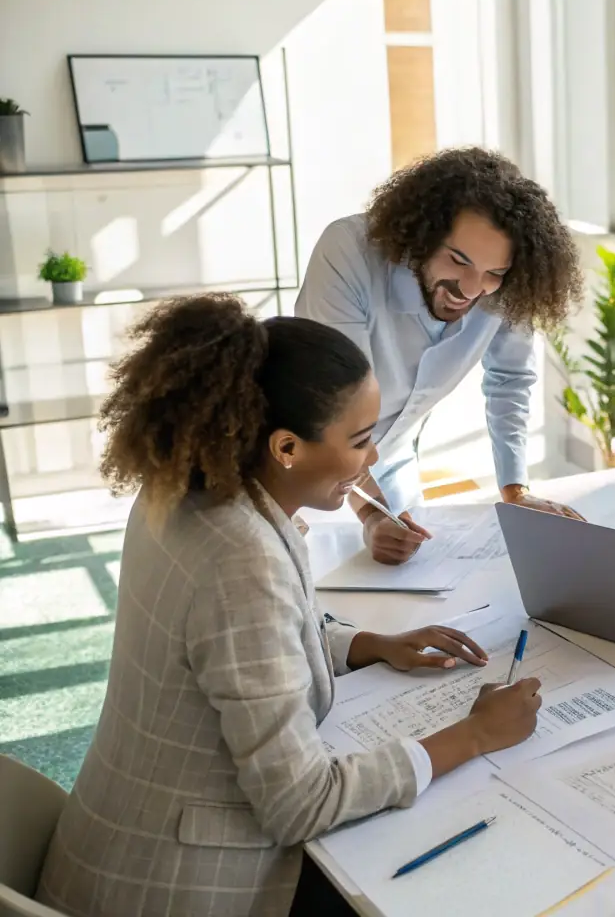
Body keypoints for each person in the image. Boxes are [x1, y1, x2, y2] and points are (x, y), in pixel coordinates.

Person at [37, 295, 543, 917]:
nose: (373, 460)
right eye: (360, 440)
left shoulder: (187, 488)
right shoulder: (241, 558)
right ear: (286, 448)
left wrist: (365, 644)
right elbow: (299, 802)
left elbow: (226, 641)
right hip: (173, 886)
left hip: (115, 839)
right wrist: (472, 736)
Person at [296, 147, 585, 566]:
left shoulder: (506, 287)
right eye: (457, 260)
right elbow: (335, 401)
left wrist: (515, 492)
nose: (470, 288)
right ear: (420, 235)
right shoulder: (348, 251)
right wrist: (372, 514)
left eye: (493, 274)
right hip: (308, 459)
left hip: (390, 464)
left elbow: (509, 380)